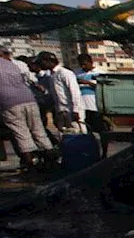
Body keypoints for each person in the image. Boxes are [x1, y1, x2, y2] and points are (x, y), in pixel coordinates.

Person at [0, 45, 55, 173]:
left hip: (10, 103)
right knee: (39, 131)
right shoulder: (13, 64)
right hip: (29, 99)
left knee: (22, 134)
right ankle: (51, 161)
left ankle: (31, 166)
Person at [36, 52, 85, 135]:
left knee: (79, 134)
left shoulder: (64, 73)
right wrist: (44, 91)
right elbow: (55, 94)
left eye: (41, 62)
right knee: (67, 135)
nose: (41, 65)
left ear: (48, 61)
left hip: (71, 109)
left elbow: (75, 92)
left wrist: (76, 110)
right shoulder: (51, 76)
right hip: (61, 110)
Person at [75, 53, 109, 159]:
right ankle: (92, 154)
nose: (83, 67)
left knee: (102, 132)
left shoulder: (100, 72)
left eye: (85, 64)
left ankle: (104, 153)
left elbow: (104, 87)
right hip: (83, 107)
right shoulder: (76, 73)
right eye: (81, 65)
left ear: (91, 62)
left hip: (96, 106)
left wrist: (87, 82)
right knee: (88, 133)